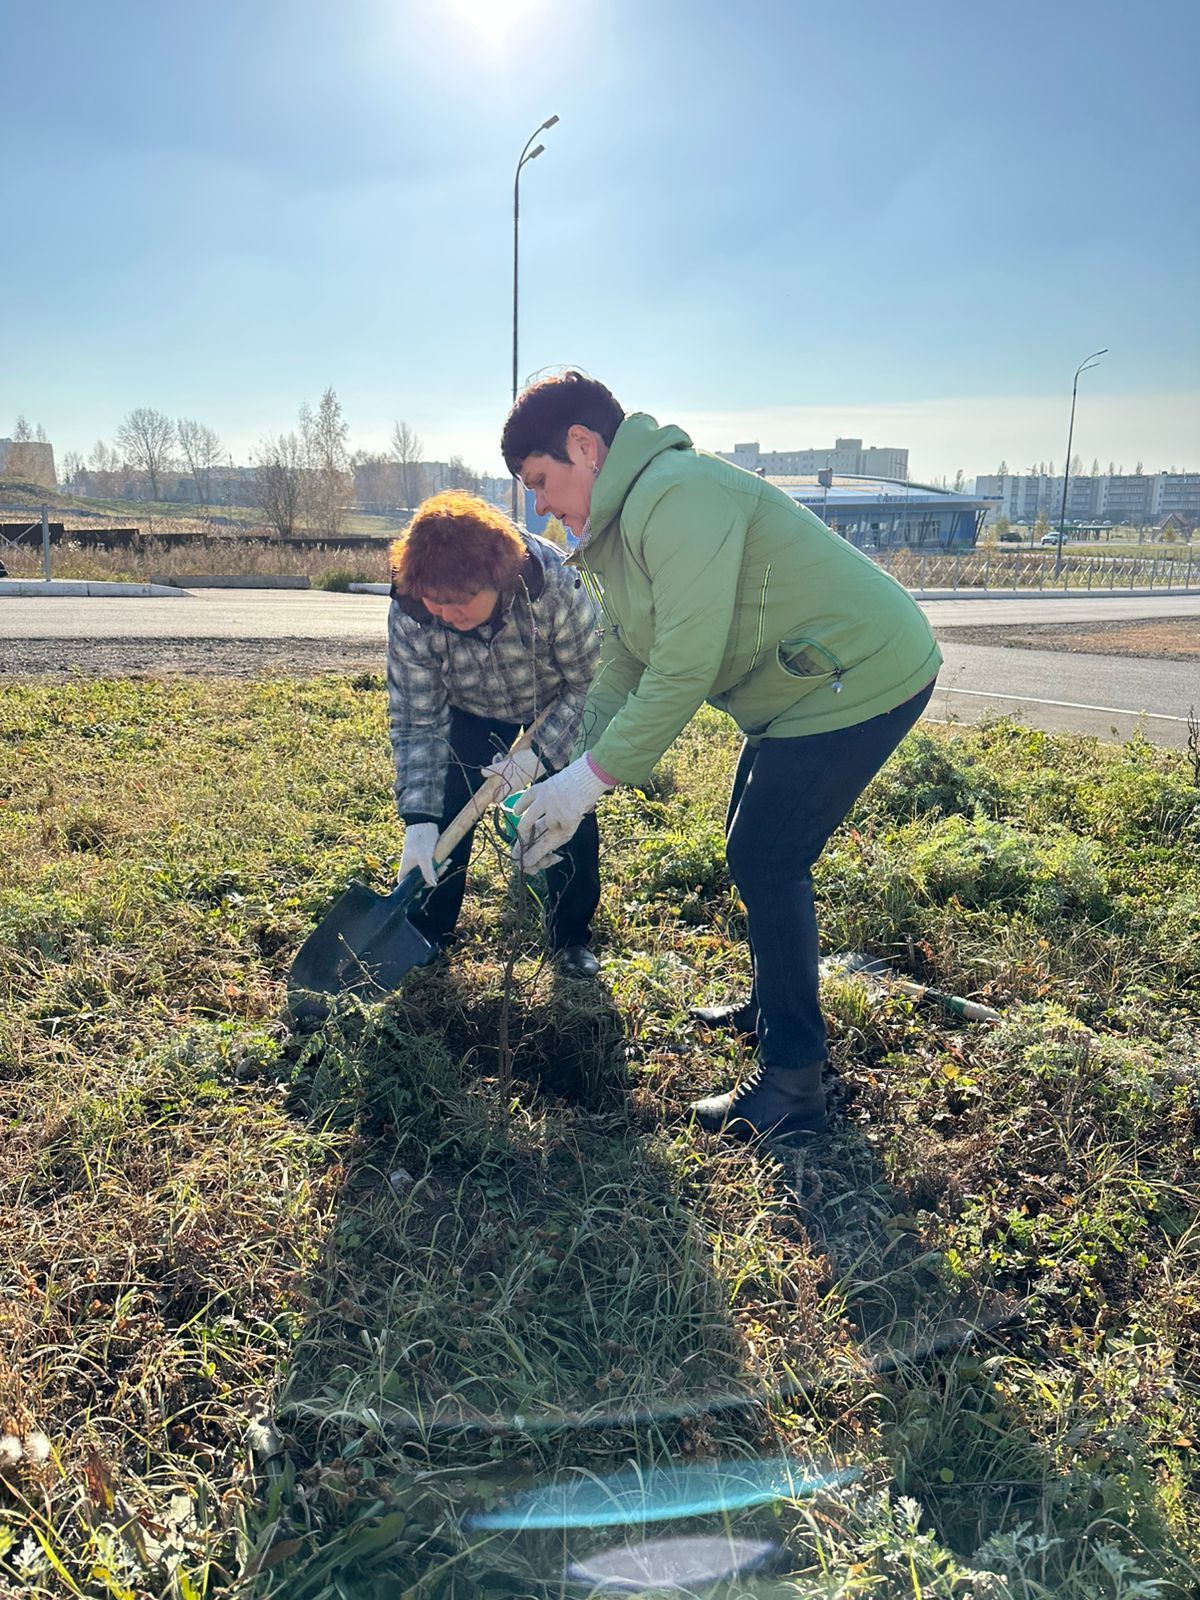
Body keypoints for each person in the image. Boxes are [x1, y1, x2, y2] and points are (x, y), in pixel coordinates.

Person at [501, 371, 942, 1139]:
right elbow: (628, 661)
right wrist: (551, 761)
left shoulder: (677, 495)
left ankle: (794, 1083)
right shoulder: (623, 528)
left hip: (863, 672)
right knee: (750, 839)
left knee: (767, 855)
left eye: (541, 482)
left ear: (583, 447)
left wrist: (585, 787)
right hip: (804, 689)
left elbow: (681, 668)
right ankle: (772, 1008)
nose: (540, 505)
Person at [388, 489, 602, 977]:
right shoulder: (411, 608)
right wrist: (418, 818)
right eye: (434, 602)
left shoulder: (553, 586)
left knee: (565, 804)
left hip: (555, 699)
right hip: (471, 706)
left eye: (461, 601)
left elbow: (594, 682)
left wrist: (541, 758)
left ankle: (569, 937)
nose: (446, 613)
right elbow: (416, 718)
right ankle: (427, 933)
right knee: (447, 805)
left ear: (498, 580)